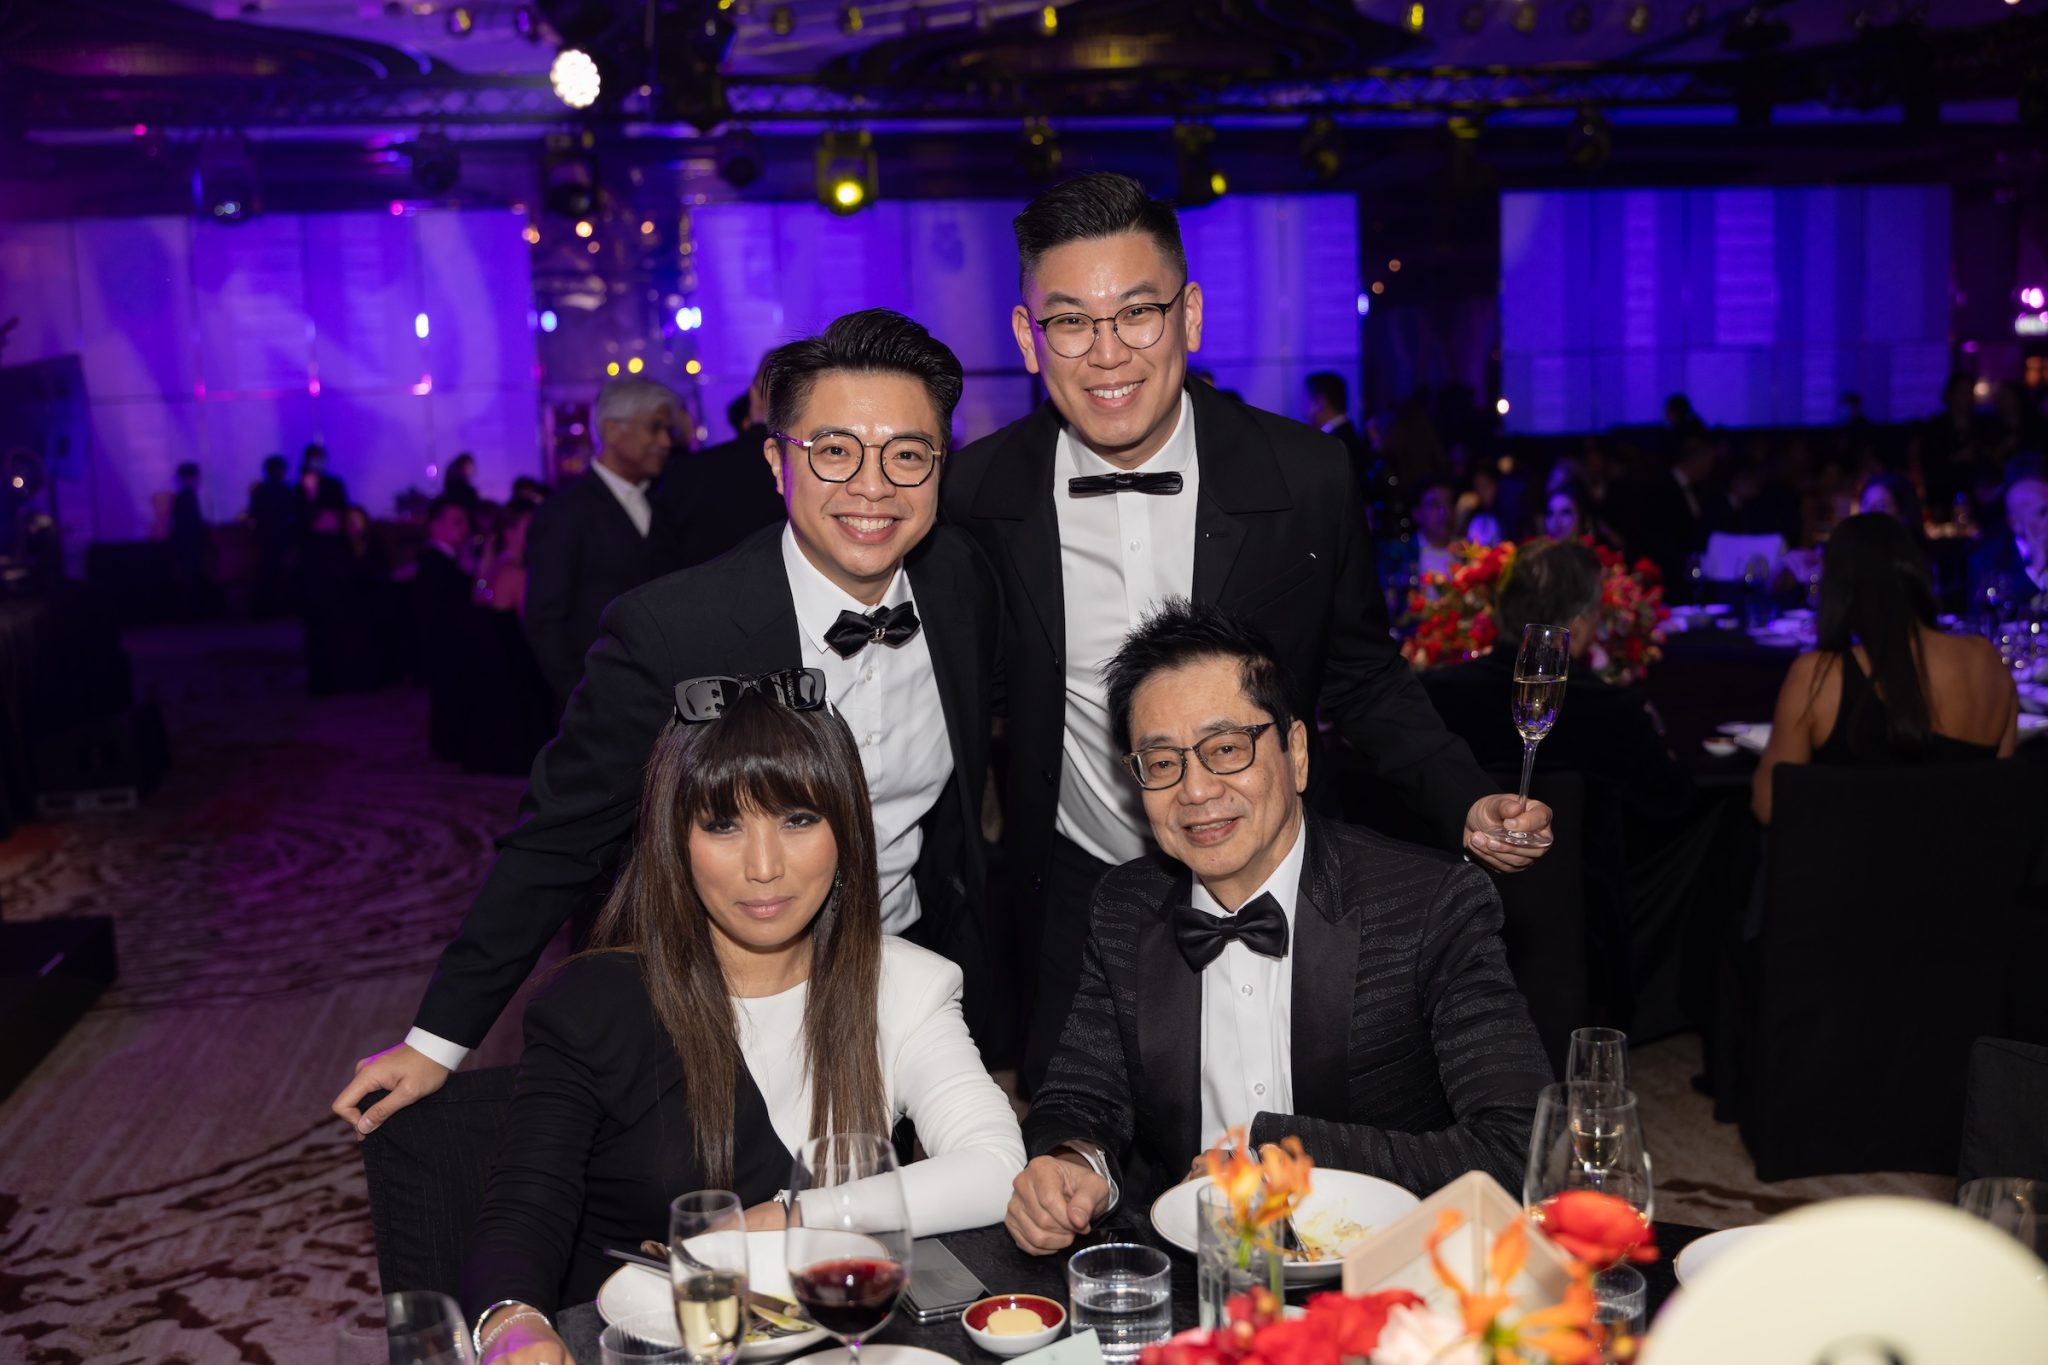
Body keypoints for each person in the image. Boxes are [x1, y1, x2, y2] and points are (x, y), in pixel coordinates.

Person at [332, 308, 1003, 1135]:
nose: (873, 486)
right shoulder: (675, 629)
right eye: (834, 450)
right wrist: (437, 1040)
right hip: (720, 1009)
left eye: (907, 454)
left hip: (904, 975)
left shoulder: (964, 589)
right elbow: (559, 836)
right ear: (777, 462)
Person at [943, 174, 1546, 1091]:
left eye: (1137, 312)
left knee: (1287, 1136)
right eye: (1070, 322)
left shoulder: (1304, 476)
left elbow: (1360, 673)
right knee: (1077, 1139)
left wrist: (1463, 796)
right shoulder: (977, 494)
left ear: (1188, 315)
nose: (1107, 353)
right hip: (1075, 895)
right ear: (1029, 338)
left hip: (1269, 875)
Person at [462, 689, 1025, 1364]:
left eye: (798, 818)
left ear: (846, 828)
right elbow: (522, 1215)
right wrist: (514, 1325)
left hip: (837, 1341)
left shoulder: (902, 982)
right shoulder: (593, 1004)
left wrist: (789, 1214)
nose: (764, 867)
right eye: (723, 825)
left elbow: (996, 1168)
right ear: (675, 839)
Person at [1003, 601, 1549, 1254]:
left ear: (1296, 752)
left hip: (1384, 1269)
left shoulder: (1428, 905)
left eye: (1226, 749)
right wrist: (1074, 1163)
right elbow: (1081, 1096)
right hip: (1195, 1271)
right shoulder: (1126, 906)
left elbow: (1520, 1146)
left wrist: (1276, 1160)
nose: (1196, 791)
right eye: (1163, 762)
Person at [1420, 539, 1693, 1022]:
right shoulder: (1612, 710)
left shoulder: (1431, 697)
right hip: (1581, 941)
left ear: (1498, 610)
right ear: (1581, 624)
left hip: (1444, 925)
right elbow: (1673, 805)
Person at [1753, 514, 2018, 826]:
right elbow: (2003, 794)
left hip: (1849, 856)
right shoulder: (1987, 662)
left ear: (1837, 588)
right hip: (1966, 855)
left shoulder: (1819, 676)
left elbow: (1768, 805)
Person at [523, 378, 677, 700]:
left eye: (668, 430)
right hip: (601, 704)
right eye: (654, 428)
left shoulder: (665, 502)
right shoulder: (566, 512)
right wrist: (580, 698)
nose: (665, 441)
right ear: (611, 430)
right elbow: (544, 620)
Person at [649, 353, 787, 574]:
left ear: (754, 396)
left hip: (697, 595)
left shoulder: (687, 474)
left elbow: (658, 569)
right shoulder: (817, 473)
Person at [414, 495, 476, 761]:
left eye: (465, 522)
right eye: (457, 522)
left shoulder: (444, 560)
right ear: (436, 525)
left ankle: (447, 744)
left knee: (448, 697)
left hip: (444, 641)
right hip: (446, 642)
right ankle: (449, 746)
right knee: (449, 695)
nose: (465, 528)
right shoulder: (436, 563)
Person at [247, 453, 299, 617]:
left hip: (266, 538)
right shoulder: (286, 491)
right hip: (281, 537)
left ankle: (266, 609)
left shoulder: (260, 491)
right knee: (281, 573)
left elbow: (253, 514)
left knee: (267, 572)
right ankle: (281, 608)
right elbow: (294, 513)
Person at [1304, 370, 1367, 470]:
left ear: (1319, 402)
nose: (1304, 410)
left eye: (1305, 401)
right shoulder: (1352, 438)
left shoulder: (1329, 446)